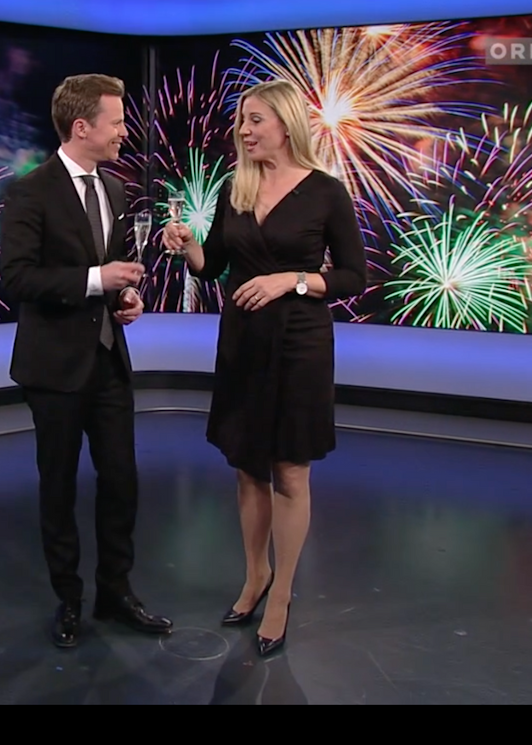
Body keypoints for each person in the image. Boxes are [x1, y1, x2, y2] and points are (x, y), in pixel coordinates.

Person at [161, 79, 367, 656]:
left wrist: (292, 280)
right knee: (247, 465)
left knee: (290, 471)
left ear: (286, 124)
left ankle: (282, 594)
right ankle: (256, 576)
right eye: (241, 121)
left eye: (255, 120)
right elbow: (213, 266)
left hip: (299, 343)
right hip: (243, 343)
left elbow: (354, 276)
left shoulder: (326, 192)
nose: (244, 131)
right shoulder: (237, 186)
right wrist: (189, 245)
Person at [0, 73, 174, 648]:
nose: (125, 132)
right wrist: (98, 279)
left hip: (108, 363)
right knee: (58, 485)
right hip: (53, 369)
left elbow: (113, 271)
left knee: (121, 480)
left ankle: (116, 592)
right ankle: (68, 599)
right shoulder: (31, 192)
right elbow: (18, 278)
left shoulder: (116, 191)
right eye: (117, 122)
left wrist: (126, 297)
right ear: (82, 127)